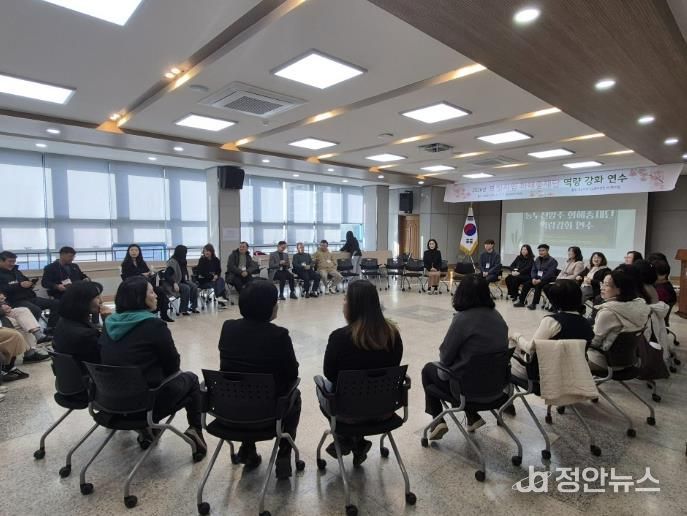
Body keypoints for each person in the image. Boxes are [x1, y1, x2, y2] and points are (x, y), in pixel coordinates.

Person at [99, 276, 206, 457]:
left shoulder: (109, 324)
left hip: (109, 402)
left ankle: (147, 430)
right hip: (145, 404)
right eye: (151, 292)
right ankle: (195, 430)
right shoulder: (153, 325)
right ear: (139, 298)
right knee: (191, 379)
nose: (156, 295)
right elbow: (173, 365)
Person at [218, 281, 300, 478]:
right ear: (268, 307)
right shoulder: (279, 335)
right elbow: (292, 374)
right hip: (267, 413)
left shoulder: (228, 328)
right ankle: (284, 451)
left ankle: (248, 449)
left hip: (229, 408)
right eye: (275, 302)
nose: (277, 305)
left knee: (245, 389)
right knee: (294, 395)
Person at [323, 280, 403, 465]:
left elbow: (329, 374)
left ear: (353, 305)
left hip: (348, 413)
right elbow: (394, 366)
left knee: (325, 387)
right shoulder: (393, 335)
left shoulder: (339, 338)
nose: (343, 302)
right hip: (384, 410)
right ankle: (356, 441)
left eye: (345, 298)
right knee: (362, 392)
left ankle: (347, 438)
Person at [422, 275, 508, 437]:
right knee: (473, 370)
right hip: (496, 388)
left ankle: (438, 421)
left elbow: (445, 358)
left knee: (428, 370)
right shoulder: (498, 317)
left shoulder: (462, 319)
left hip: (468, 392)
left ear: (461, 294)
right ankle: (472, 416)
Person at [509, 280, 594, 381]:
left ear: (554, 301)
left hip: (543, 375)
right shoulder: (586, 323)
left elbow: (530, 348)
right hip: (572, 373)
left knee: (511, 347)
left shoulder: (551, 321)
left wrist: (517, 336)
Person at [587, 269, 650, 373]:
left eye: (607, 285)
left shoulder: (608, 312)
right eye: (602, 283)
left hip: (606, 361)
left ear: (620, 289)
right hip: (629, 359)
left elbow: (594, 342)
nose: (602, 287)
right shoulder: (641, 306)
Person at [52, 281, 111, 369]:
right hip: (94, 374)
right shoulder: (85, 335)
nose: (101, 301)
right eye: (97, 297)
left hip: (71, 374)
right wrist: (108, 322)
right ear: (82, 301)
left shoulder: (63, 322)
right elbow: (108, 354)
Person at [0, 251, 60, 332]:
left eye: (14, 261)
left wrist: (30, 284)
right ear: (1, 261)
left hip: (29, 297)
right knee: (35, 310)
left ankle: (51, 329)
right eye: (10, 261)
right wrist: (19, 285)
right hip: (14, 300)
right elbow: (3, 289)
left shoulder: (16, 272)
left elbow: (25, 281)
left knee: (56, 303)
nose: (12, 264)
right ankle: (33, 333)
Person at [121, 244, 173, 322]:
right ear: (128, 252)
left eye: (136, 250)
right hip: (134, 286)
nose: (134, 252)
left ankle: (163, 314)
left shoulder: (142, 262)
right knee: (149, 294)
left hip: (145, 284)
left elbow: (147, 272)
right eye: (132, 250)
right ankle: (151, 313)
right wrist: (141, 274)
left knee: (160, 291)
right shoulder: (125, 264)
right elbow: (126, 277)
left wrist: (150, 273)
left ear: (139, 252)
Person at [0, 293, 50, 362]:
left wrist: (4, 304)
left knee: (23, 311)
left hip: (4, 315)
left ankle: (37, 334)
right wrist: (2, 309)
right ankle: (30, 354)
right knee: (19, 323)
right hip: (2, 319)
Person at [514, 244, 559, 310]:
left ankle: (534, 304)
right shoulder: (537, 259)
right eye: (539, 251)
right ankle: (521, 302)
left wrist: (540, 280)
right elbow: (533, 270)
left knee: (538, 285)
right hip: (536, 278)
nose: (541, 252)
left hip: (547, 280)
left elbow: (549, 274)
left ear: (547, 251)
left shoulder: (553, 261)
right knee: (526, 284)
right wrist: (533, 278)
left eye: (543, 250)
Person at [164, 245, 199, 316]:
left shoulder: (183, 260)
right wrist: (174, 283)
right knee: (186, 288)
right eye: (185, 252)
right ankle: (183, 310)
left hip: (182, 281)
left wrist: (187, 279)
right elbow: (167, 275)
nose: (186, 254)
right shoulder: (172, 261)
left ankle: (193, 307)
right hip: (174, 282)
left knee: (194, 286)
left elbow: (184, 272)